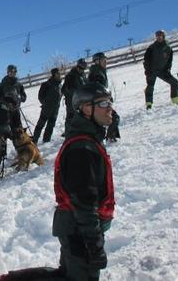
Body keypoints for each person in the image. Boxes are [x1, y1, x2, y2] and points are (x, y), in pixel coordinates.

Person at [52, 82, 116, 281]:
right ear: (86, 108)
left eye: (110, 102)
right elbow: (84, 203)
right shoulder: (82, 148)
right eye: (103, 104)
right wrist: (94, 246)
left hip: (78, 230)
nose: (110, 109)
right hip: (78, 232)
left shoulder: (89, 139)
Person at [143, 29, 178, 109]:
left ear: (163, 37)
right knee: (150, 87)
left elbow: (169, 60)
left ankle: (175, 99)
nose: (159, 37)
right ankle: (149, 104)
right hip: (152, 71)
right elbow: (146, 60)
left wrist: (168, 69)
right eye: (157, 36)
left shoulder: (168, 48)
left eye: (160, 36)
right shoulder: (151, 48)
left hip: (163, 71)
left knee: (174, 82)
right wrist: (147, 70)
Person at [88, 52, 120, 142]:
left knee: (110, 118)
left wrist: (108, 96)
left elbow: (102, 88)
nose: (105, 62)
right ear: (97, 61)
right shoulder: (96, 73)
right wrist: (106, 97)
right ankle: (109, 138)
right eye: (103, 60)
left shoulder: (100, 71)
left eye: (106, 60)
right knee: (113, 117)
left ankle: (108, 137)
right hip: (98, 102)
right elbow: (96, 88)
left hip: (101, 101)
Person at [33, 67, 62, 144]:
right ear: (54, 74)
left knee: (51, 125)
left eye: (60, 73)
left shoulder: (59, 85)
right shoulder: (46, 84)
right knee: (40, 125)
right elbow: (40, 96)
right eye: (58, 73)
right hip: (46, 109)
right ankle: (34, 140)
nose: (59, 75)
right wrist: (45, 104)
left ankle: (46, 140)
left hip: (55, 109)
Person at [0, 64, 27, 132]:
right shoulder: (2, 84)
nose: (13, 73)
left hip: (16, 109)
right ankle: (15, 141)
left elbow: (23, 95)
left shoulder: (18, 84)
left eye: (14, 72)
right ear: (8, 72)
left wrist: (20, 98)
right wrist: (6, 102)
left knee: (19, 128)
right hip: (7, 111)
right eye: (11, 72)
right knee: (12, 130)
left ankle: (22, 142)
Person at [61, 58, 88, 136]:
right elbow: (67, 89)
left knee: (81, 116)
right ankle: (67, 132)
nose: (82, 70)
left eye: (84, 68)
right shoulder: (70, 76)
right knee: (70, 117)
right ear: (77, 67)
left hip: (81, 99)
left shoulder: (82, 75)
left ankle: (79, 131)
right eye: (81, 68)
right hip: (71, 100)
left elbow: (85, 84)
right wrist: (77, 91)